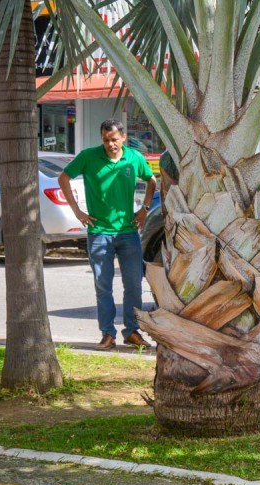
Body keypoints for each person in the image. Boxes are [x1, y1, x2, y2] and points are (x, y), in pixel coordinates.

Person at [58, 119, 157, 351]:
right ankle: (108, 335)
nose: (110, 144)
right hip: (99, 233)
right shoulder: (88, 156)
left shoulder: (133, 158)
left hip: (128, 233)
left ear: (123, 137)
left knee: (133, 284)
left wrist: (144, 209)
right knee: (103, 286)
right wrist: (77, 211)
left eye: (114, 139)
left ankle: (132, 332)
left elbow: (151, 180)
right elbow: (63, 178)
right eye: (106, 140)